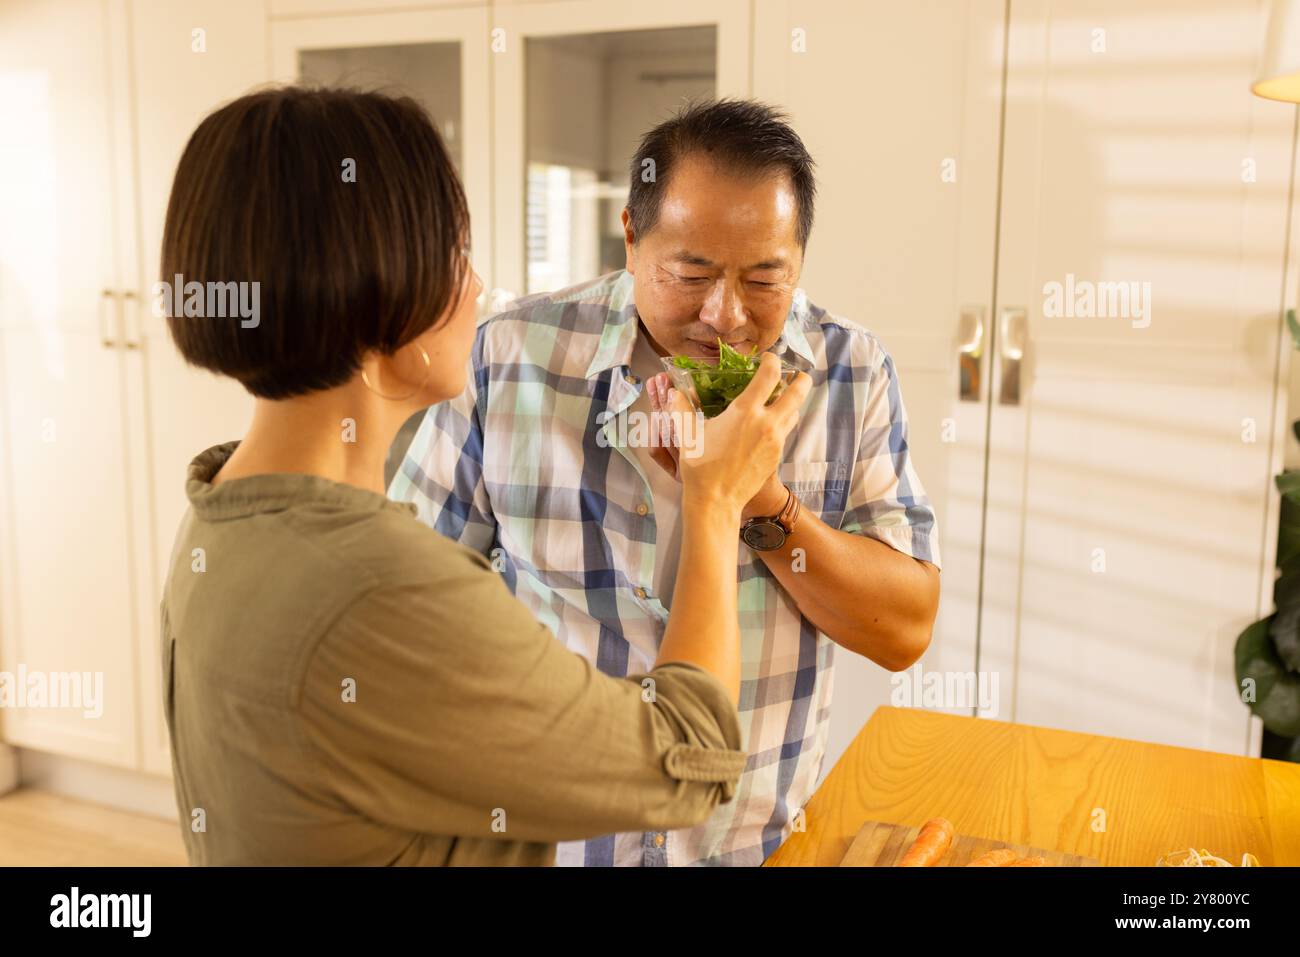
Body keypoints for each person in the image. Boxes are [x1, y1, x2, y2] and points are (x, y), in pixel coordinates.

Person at [158, 86, 809, 865]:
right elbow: (688, 755)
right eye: (457, 255)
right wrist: (715, 498)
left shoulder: (218, 513)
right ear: (388, 288)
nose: (475, 288)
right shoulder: (388, 588)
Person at [391, 98, 942, 866]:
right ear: (629, 236)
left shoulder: (850, 372)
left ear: (799, 262)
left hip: (756, 845)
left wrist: (759, 500)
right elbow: (402, 607)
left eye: (763, 279)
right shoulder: (507, 355)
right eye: (690, 273)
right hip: (549, 842)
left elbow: (905, 629)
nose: (726, 316)